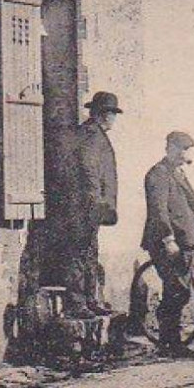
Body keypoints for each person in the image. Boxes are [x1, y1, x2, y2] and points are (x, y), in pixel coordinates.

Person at [140, 131, 194, 357]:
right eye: (180, 148)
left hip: (185, 241)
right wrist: (168, 238)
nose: (184, 154)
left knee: (180, 291)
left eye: (187, 149)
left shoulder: (178, 173)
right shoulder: (158, 174)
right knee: (177, 290)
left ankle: (170, 342)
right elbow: (158, 210)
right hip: (169, 242)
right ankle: (170, 344)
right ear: (169, 147)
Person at [64, 90, 121, 317]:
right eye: (112, 113)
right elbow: (88, 170)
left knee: (89, 252)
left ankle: (90, 299)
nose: (114, 119)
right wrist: (95, 202)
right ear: (103, 114)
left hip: (91, 206)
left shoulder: (95, 134)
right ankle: (77, 303)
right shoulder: (90, 135)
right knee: (79, 252)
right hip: (84, 206)